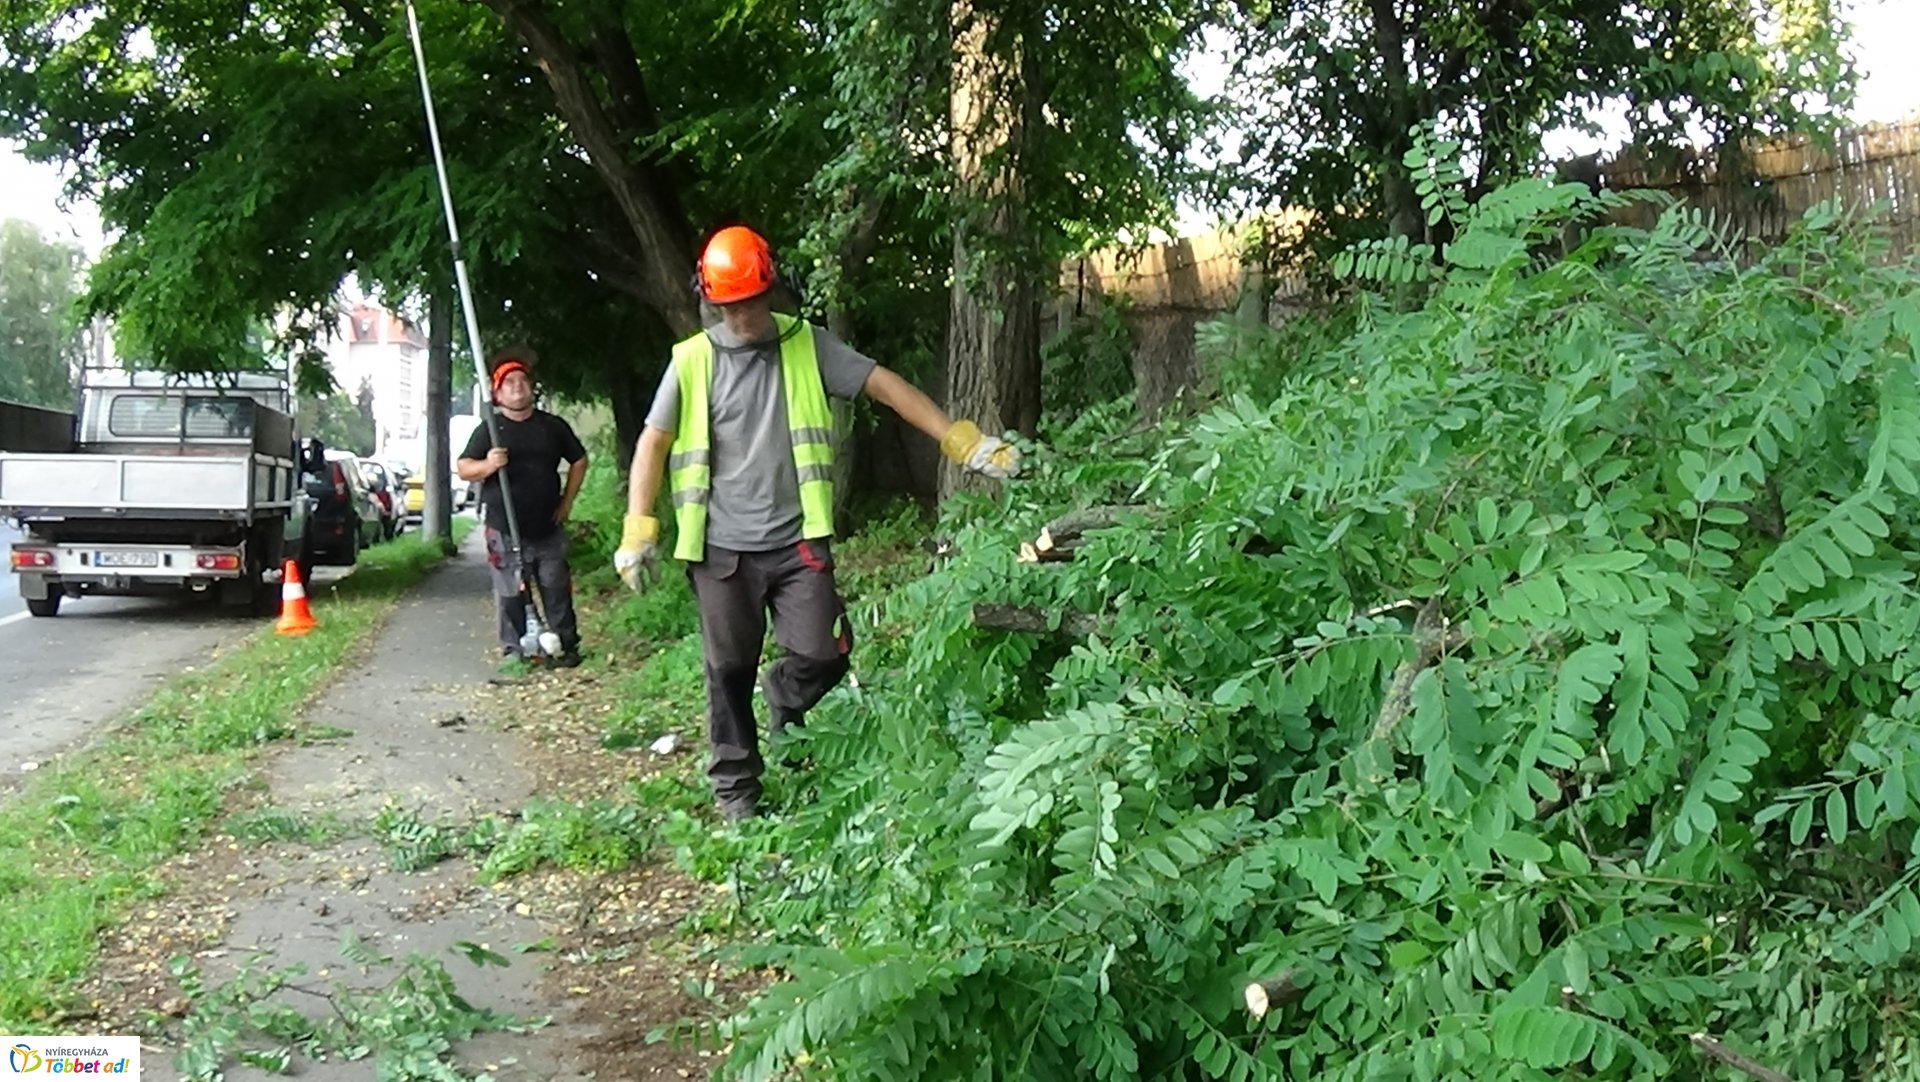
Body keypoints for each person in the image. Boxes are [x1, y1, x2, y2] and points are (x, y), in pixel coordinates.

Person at [615, 225, 1021, 821]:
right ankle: (738, 792)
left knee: (824, 655)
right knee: (727, 674)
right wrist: (638, 528)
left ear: (771, 290)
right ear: (711, 300)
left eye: (752, 301)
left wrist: (962, 441)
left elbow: (887, 387)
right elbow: (653, 441)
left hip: (796, 540)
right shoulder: (691, 362)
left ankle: (785, 698)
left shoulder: (809, 345)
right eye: (730, 306)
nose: (743, 315)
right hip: (721, 548)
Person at [457, 349, 590, 669]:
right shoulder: (489, 429)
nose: (517, 387)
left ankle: (565, 646)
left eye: (522, 381)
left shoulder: (552, 426)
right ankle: (515, 651)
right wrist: (489, 464)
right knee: (510, 592)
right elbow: (464, 468)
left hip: (547, 526)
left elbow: (579, 459)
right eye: (508, 383)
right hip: (504, 527)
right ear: (498, 393)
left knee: (556, 586)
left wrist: (567, 502)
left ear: (532, 388)